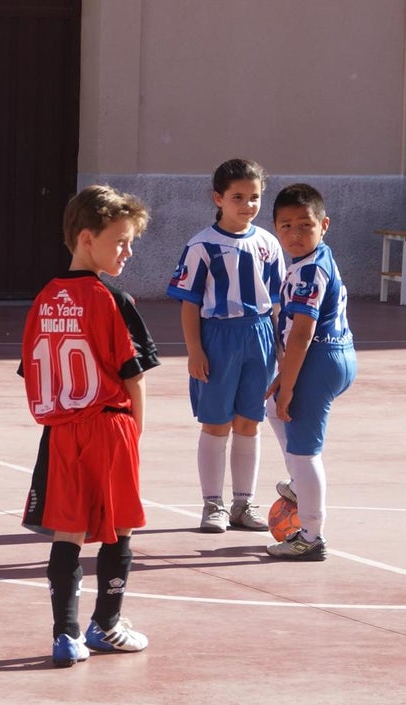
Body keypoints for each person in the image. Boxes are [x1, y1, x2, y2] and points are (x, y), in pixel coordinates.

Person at [20, 185, 159, 667]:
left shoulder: (44, 298)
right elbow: (133, 377)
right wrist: (136, 435)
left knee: (68, 531)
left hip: (60, 431)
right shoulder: (112, 298)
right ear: (86, 238)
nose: (128, 250)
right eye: (120, 240)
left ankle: (65, 634)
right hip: (109, 424)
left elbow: (35, 369)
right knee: (120, 529)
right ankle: (107, 624)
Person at [166, 158, 284, 533]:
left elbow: (278, 302)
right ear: (218, 198)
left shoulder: (268, 243)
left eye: (254, 197)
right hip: (218, 337)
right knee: (216, 423)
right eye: (238, 197)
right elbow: (190, 302)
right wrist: (195, 350)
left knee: (249, 422)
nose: (247, 205)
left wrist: (281, 351)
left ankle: (243, 502)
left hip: (260, 336)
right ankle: (212, 503)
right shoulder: (202, 245)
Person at [266, 184, 356, 561]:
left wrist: (288, 386)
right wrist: (281, 384)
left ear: (324, 225)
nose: (295, 234)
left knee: (304, 451)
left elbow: (301, 332)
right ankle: (298, 486)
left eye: (305, 225)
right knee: (271, 408)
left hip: (319, 358)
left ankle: (312, 535)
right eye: (285, 226)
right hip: (335, 354)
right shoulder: (317, 259)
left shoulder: (308, 272)